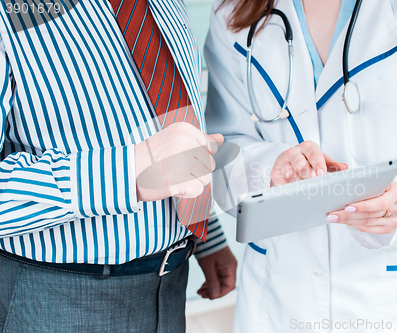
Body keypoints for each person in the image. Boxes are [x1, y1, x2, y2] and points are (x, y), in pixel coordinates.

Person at [204, 0, 397, 331]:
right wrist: (271, 165)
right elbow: (222, 145)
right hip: (278, 290)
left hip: (385, 296)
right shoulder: (231, 10)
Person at [0, 0, 236, 332]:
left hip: (172, 281)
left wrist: (208, 235)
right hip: (56, 299)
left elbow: (165, 108)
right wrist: (132, 171)